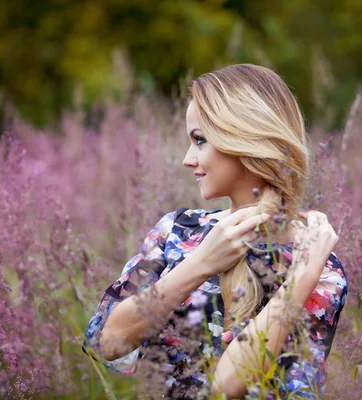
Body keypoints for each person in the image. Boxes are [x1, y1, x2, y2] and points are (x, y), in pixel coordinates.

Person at [82, 64, 348, 399]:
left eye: (200, 140)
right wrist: (201, 263)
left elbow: (228, 386)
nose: (187, 159)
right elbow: (108, 342)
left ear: (245, 139)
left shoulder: (317, 264)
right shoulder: (178, 231)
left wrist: (303, 276)